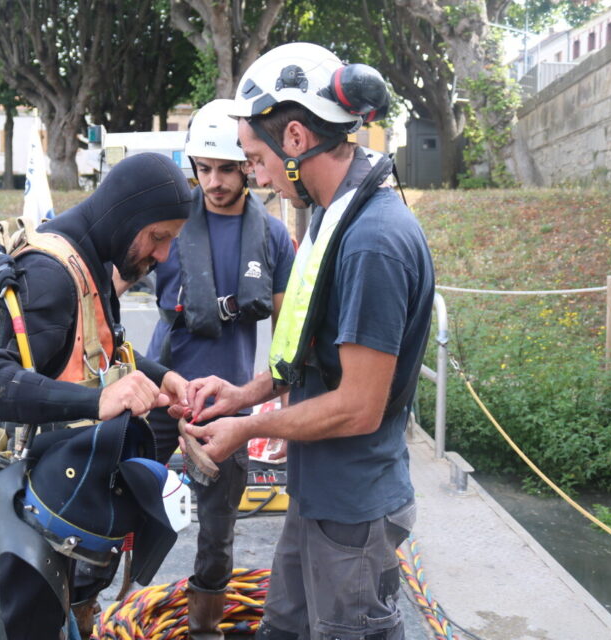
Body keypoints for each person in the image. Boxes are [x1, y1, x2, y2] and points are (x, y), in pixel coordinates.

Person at [182, 43, 436, 640]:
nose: (255, 176)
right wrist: (243, 395)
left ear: (295, 138)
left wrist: (245, 430)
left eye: (254, 157)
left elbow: (358, 405)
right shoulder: (330, 215)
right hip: (318, 495)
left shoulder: (372, 240)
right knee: (284, 628)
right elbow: (310, 350)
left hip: (354, 512)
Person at [0, 152, 193, 640]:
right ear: (128, 218)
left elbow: (91, 354)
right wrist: (95, 403)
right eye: (158, 237)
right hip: (26, 522)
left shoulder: (88, 262)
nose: (164, 254)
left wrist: (161, 377)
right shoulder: (50, 275)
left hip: (66, 509)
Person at [143, 99, 295, 639]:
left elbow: (290, 335)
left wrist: (275, 401)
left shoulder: (274, 238)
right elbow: (108, 286)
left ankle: (205, 629)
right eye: (203, 169)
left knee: (217, 531)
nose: (214, 182)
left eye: (227, 168)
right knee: (117, 499)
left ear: (249, 167)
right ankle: (96, 607)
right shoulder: (167, 226)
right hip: (160, 394)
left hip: (228, 405)